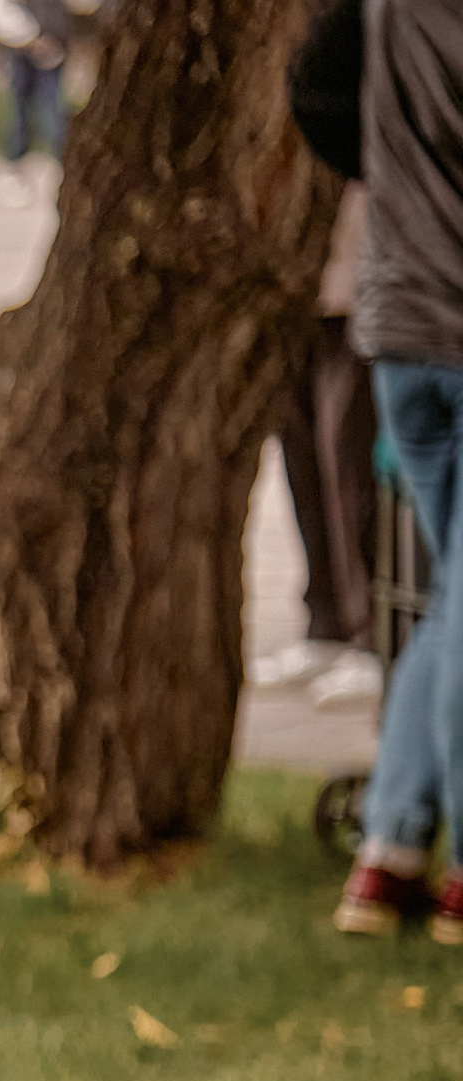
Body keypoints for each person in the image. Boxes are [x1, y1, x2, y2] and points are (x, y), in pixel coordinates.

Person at [297, 0, 463, 940]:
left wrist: (394, 182)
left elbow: (314, 93)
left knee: (451, 602)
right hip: (446, 320)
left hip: (399, 322)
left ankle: (389, 852)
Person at [258, 185, 381, 714]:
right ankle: (325, 619)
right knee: (302, 461)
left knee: (351, 467)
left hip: (360, 291)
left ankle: (372, 634)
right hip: (292, 290)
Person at [0, 0, 73, 206]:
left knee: (54, 113)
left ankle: (68, 170)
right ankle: (13, 171)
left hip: (54, 47)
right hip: (17, 48)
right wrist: (30, 38)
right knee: (18, 113)